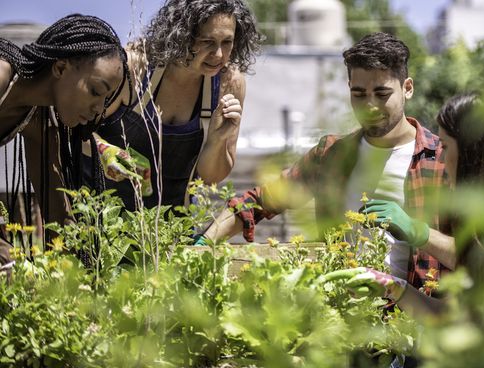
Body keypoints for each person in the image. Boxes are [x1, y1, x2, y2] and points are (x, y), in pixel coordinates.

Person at [202, 32, 456, 291]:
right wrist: (202, 244)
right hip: (344, 315)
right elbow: (258, 201)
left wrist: (419, 232)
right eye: (359, 94)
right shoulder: (331, 155)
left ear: (408, 88)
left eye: (382, 94)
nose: (369, 105)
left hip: (418, 319)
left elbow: (478, 257)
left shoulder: (442, 158)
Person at [325, 93, 484, 318]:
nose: (441, 158)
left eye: (446, 146)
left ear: (473, 152)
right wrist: (392, 287)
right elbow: (454, 317)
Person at [85, 0, 264, 210]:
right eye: (207, 41)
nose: (218, 55)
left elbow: (210, 178)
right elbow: (70, 129)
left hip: (173, 227)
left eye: (227, 42)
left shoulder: (229, 83)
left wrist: (217, 140)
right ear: (180, 35)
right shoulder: (134, 67)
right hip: (99, 216)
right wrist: (105, 150)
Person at [0, 14, 128, 265]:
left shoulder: (39, 117)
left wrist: (83, 268)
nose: (97, 109)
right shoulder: (1, 75)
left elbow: (57, 210)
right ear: (60, 68)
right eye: (95, 91)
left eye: (105, 100)